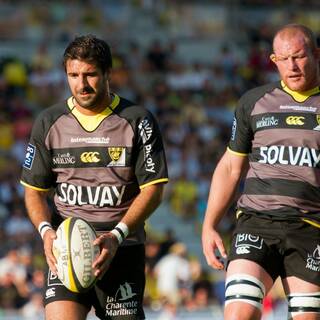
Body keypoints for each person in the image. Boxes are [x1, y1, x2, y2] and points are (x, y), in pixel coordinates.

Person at [20, 35, 169, 320]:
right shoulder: (49, 122)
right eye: (73, 75)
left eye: (90, 75)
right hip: (66, 249)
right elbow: (34, 191)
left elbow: (154, 189)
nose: (81, 84)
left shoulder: (138, 120)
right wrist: (45, 231)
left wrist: (116, 236)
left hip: (121, 249)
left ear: (107, 74)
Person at [202, 23, 320, 320]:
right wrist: (209, 225)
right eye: (284, 59)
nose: (292, 66)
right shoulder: (254, 102)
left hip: (311, 228)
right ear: (273, 60)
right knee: (239, 313)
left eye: (299, 57)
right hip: (257, 223)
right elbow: (231, 167)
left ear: (317, 54)